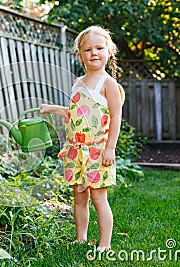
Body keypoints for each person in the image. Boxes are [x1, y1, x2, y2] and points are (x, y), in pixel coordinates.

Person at [39, 25, 125, 251]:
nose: (94, 53)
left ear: (109, 52)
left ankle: (104, 244)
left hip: (97, 151)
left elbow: (116, 117)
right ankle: (81, 238)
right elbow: (75, 113)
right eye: (88, 50)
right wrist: (53, 108)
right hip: (76, 150)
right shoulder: (78, 82)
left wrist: (110, 148)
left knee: (98, 197)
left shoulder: (109, 84)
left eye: (99, 48)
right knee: (79, 196)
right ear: (80, 55)